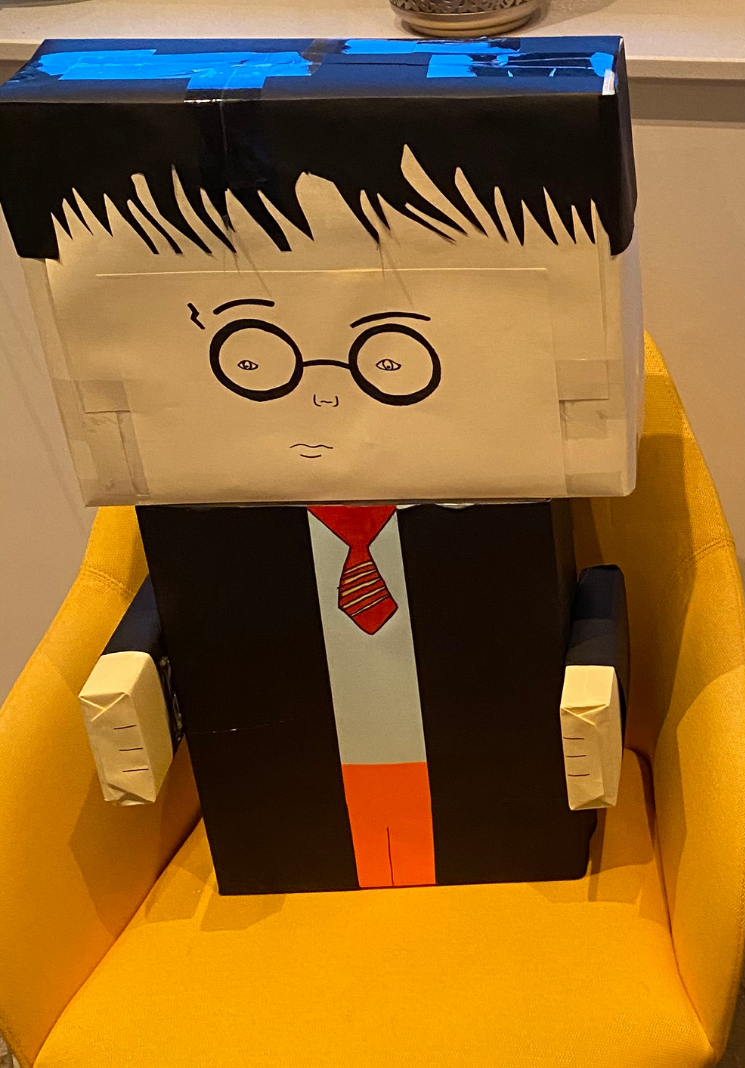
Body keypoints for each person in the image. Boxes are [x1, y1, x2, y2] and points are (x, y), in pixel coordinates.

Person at [0, 37, 642, 894]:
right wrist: (131, 680)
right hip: (280, 794)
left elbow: (592, 589)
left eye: (392, 359)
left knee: (496, 835)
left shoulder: (505, 505)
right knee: (289, 837)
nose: (327, 390)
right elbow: (177, 604)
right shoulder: (210, 532)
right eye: (252, 359)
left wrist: (592, 685)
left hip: (494, 783)